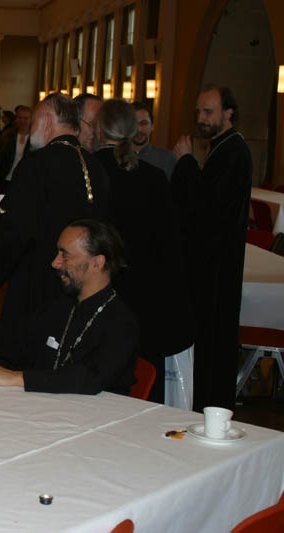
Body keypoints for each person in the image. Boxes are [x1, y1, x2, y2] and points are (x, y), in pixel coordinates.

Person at [0, 219, 139, 395]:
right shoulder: (60, 307)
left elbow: (90, 377)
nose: (55, 263)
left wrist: (19, 378)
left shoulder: (121, 323)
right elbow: (14, 344)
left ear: (97, 263)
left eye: (65, 255)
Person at [0, 92, 110, 339]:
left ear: (48, 121)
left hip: (39, 281)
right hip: (82, 284)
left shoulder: (36, 164)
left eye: (34, 121)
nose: (31, 128)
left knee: (25, 348)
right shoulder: (96, 166)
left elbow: (16, 229)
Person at [93, 99, 192, 403]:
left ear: (98, 129)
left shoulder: (89, 172)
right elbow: (171, 245)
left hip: (100, 292)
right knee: (143, 382)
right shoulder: (153, 176)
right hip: (146, 298)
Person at [171, 85, 252, 411]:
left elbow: (206, 208)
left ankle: (211, 408)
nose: (201, 118)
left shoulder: (233, 151)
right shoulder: (223, 148)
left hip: (218, 269)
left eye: (208, 112)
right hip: (212, 265)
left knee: (215, 342)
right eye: (198, 112)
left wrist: (186, 162)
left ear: (228, 113)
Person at [131, 101, 177, 179]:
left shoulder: (167, 158)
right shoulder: (117, 158)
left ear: (152, 126)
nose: (139, 129)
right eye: (133, 124)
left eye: (144, 123)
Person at [0, 104, 32, 193]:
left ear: (31, 119)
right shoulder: (8, 136)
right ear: (16, 119)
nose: (22, 121)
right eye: (19, 118)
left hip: (27, 181)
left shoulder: (36, 138)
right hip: (7, 180)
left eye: (26, 118)